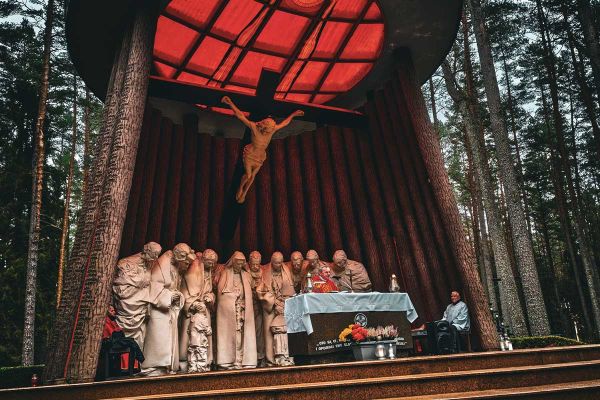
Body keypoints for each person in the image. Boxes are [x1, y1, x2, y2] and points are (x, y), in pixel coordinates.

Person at [221, 96, 304, 203]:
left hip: (260, 156)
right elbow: (241, 116)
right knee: (249, 175)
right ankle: (240, 188)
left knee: (253, 176)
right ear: (264, 126)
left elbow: (284, 123)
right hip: (250, 154)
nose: (272, 128)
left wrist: (293, 115)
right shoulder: (254, 127)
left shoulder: (272, 130)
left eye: (272, 126)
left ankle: (244, 193)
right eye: (269, 124)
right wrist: (230, 103)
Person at [142, 243, 194, 375]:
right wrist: (170, 296)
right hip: (159, 310)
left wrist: (177, 295)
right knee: (158, 338)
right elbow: (155, 288)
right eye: (186, 263)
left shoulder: (175, 266)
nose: (187, 267)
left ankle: (165, 367)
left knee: (167, 339)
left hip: (169, 310)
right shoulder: (163, 263)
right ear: (179, 258)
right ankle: (154, 367)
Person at [112, 242, 161, 349]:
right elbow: (121, 290)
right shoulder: (126, 263)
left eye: (158, 254)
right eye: (154, 254)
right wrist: (141, 280)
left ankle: (134, 362)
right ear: (146, 251)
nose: (156, 257)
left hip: (140, 306)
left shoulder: (151, 263)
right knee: (122, 335)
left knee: (139, 334)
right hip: (127, 304)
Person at [214, 251, 257, 369]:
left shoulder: (246, 275)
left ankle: (242, 359)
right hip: (230, 312)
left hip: (243, 310)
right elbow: (221, 294)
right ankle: (229, 360)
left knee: (243, 336)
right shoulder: (225, 273)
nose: (239, 266)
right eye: (237, 263)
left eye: (241, 263)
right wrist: (232, 296)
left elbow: (252, 290)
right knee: (232, 335)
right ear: (233, 262)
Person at [178, 249, 216, 372]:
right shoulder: (192, 273)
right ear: (203, 260)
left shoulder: (208, 273)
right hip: (192, 313)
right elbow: (185, 292)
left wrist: (209, 297)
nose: (211, 265)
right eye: (209, 262)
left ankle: (204, 362)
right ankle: (187, 362)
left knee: (205, 337)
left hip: (204, 312)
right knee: (189, 337)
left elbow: (210, 292)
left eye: (213, 263)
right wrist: (193, 303)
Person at [257, 252, 296, 366]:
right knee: (269, 332)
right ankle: (271, 359)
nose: (278, 265)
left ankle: (287, 357)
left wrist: (285, 304)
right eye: (275, 263)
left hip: (286, 306)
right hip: (270, 307)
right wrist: (275, 304)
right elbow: (261, 291)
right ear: (271, 262)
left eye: (280, 262)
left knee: (287, 330)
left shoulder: (286, 271)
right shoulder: (264, 272)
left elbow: (291, 290)